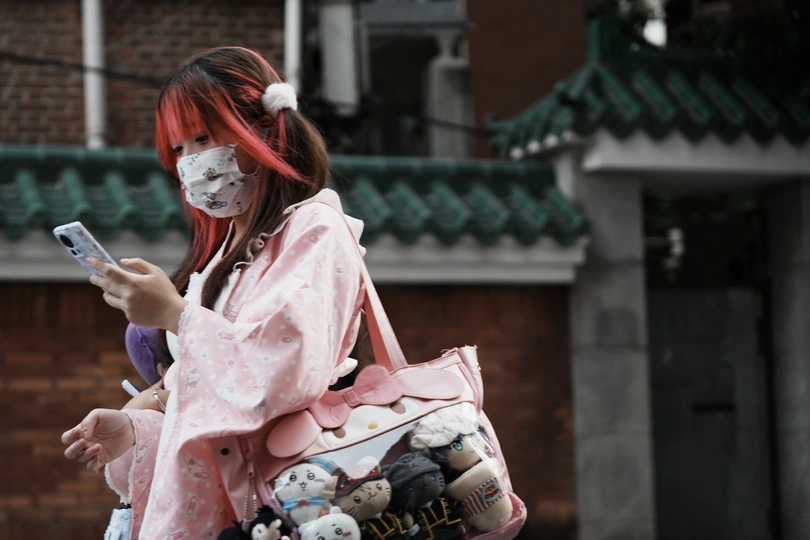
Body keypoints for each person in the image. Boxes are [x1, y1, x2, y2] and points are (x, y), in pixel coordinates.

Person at [61, 46, 367, 539]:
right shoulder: (223, 254)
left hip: (274, 507)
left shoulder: (315, 228)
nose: (190, 162)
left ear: (262, 130)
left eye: (202, 138)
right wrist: (136, 430)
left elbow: (283, 375)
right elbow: (211, 410)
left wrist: (176, 315)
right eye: (179, 148)